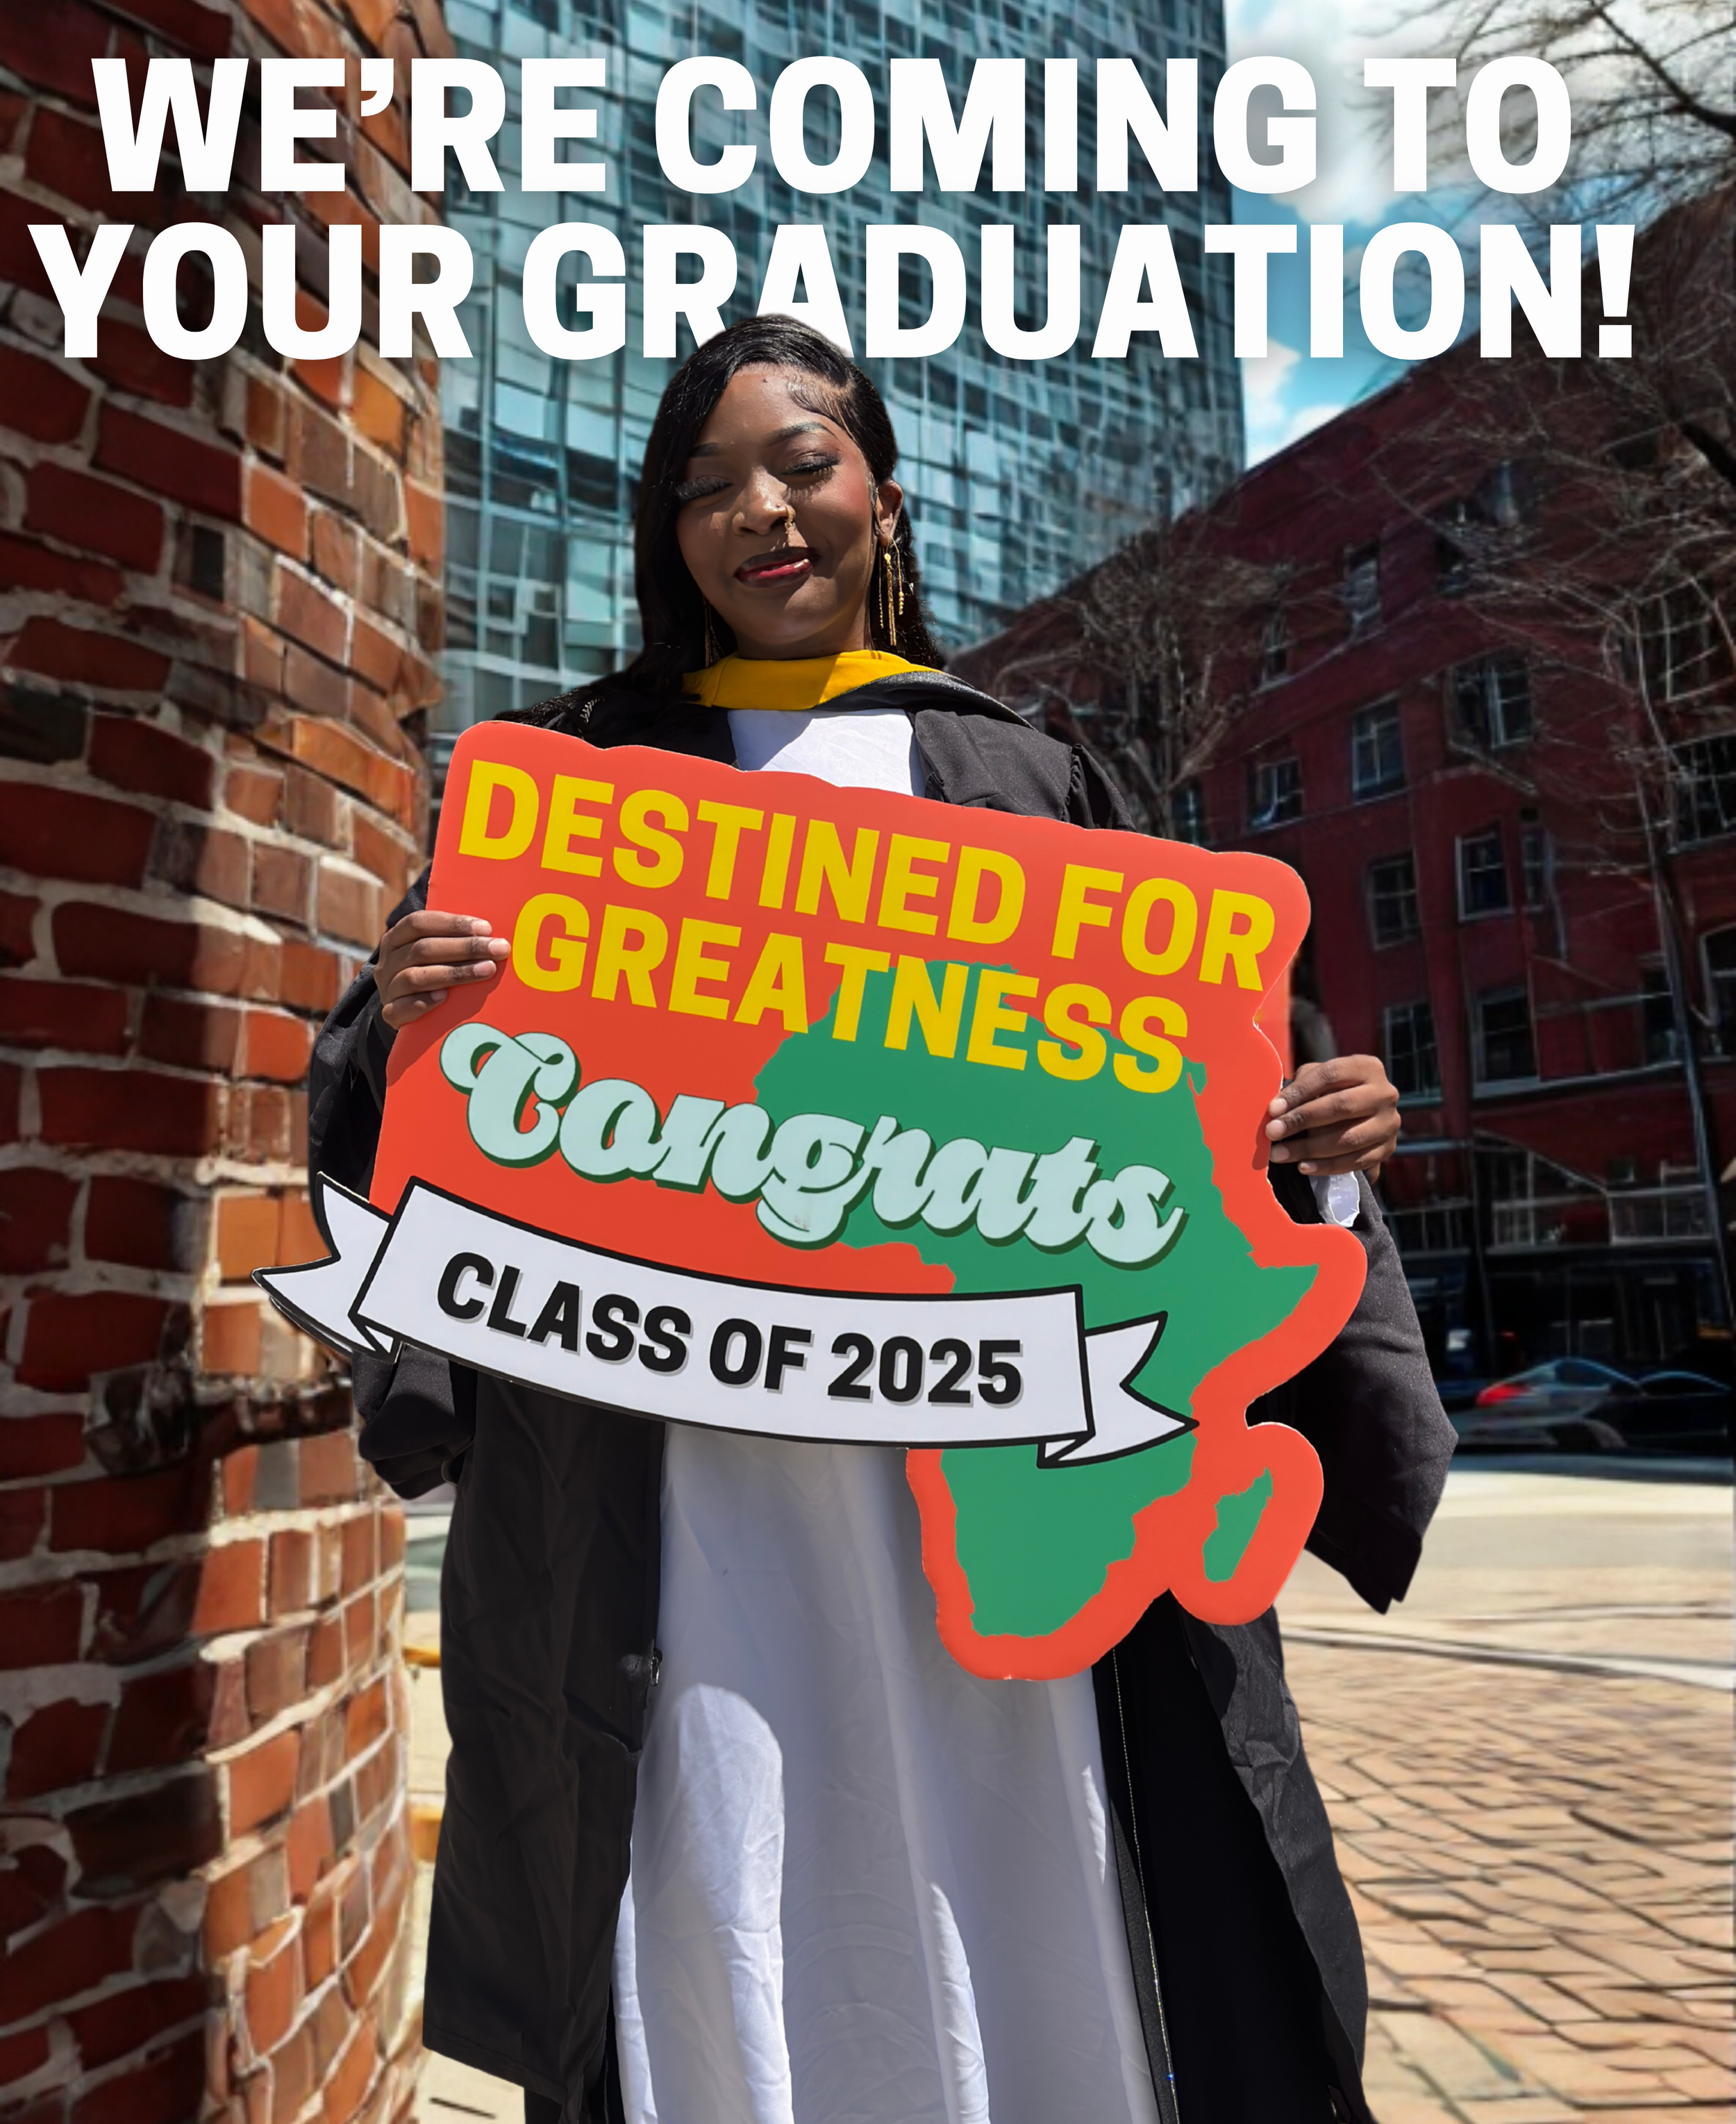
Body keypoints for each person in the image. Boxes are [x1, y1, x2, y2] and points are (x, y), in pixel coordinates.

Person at [310, 316, 1453, 2124]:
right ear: (660, 536)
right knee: (710, 1910)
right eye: (703, 487)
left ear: (883, 493)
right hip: (676, 1493)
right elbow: (425, 1152)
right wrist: (401, 1015)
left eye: (800, 462)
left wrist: (1313, 1140)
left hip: (977, 1501)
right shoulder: (563, 791)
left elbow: (1191, 1146)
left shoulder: (1030, 786)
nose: (759, 512)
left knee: (1038, 1898)